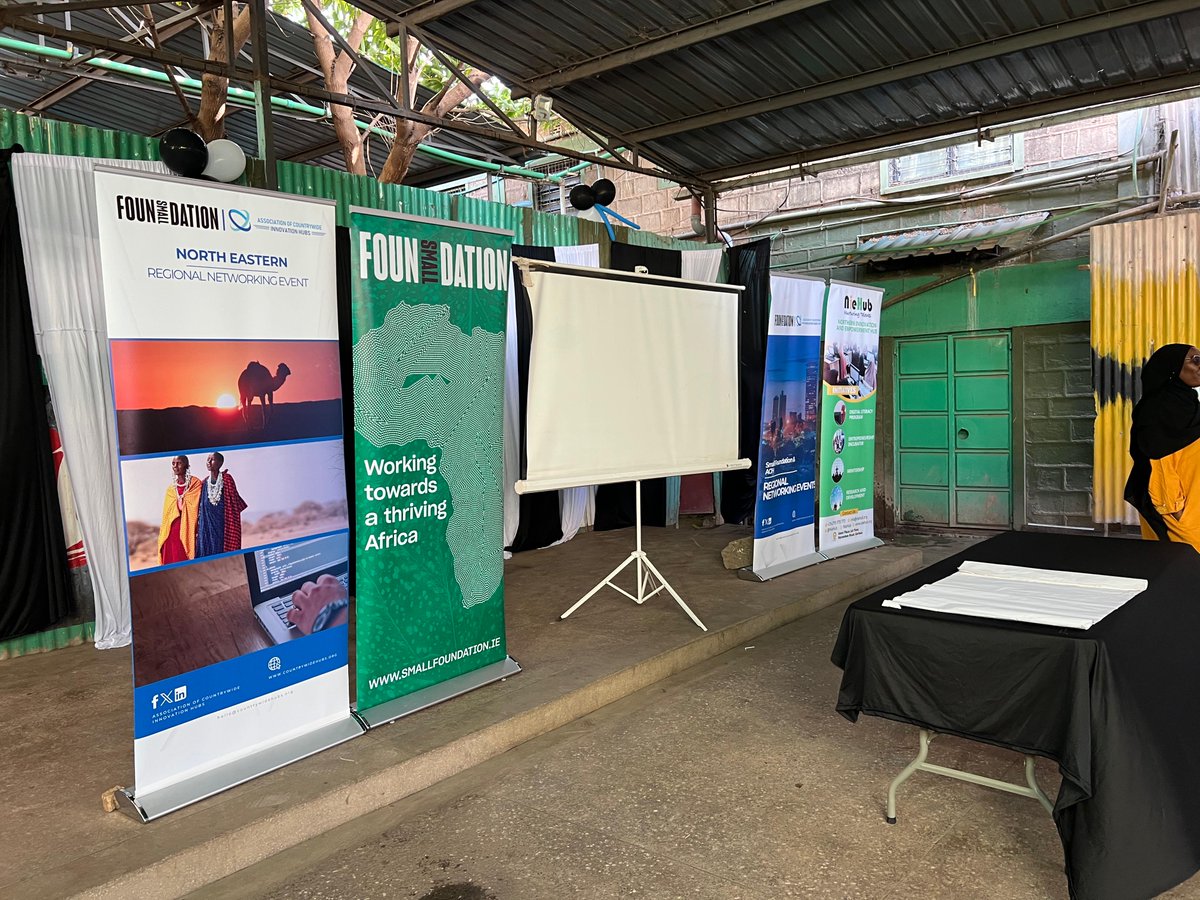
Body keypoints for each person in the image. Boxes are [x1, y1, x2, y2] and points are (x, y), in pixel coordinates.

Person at [1124, 343, 1200, 549]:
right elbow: (1159, 463)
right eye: (1196, 361)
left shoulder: (1189, 403)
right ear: (1173, 367)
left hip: (1194, 504)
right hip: (1177, 513)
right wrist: (1175, 513)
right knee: (1183, 568)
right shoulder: (1160, 409)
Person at [196, 451, 248, 558]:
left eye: (212, 459)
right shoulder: (204, 483)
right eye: (207, 459)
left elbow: (233, 503)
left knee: (221, 551)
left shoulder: (227, 479)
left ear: (220, 463)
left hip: (223, 525)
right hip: (207, 526)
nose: (209, 462)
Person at [157, 455, 202, 564]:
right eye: (173, 463)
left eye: (179, 463)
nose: (175, 466)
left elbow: (197, 506)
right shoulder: (171, 489)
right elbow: (166, 515)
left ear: (186, 465)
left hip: (188, 528)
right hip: (171, 531)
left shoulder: (195, 484)